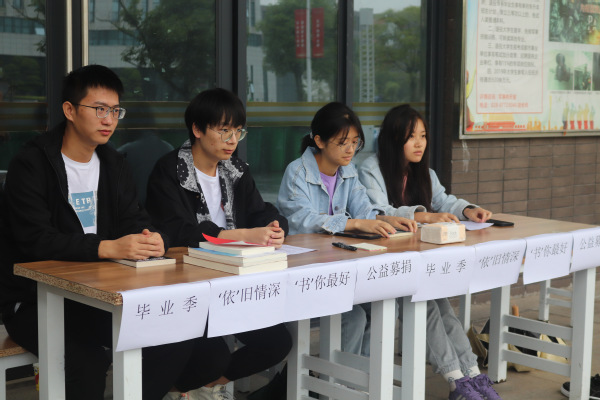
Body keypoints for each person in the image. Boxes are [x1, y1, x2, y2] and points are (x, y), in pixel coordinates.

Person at [0, 65, 232, 400]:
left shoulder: (113, 162)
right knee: (88, 361)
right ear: (69, 110)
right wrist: (108, 248)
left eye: (115, 111)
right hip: (35, 300)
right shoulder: (32, 163)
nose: (109, 119)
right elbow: (35, 240)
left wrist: (152, 238)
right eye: (99, 109)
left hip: (101, 294)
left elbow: (133, 220)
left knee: (205, 350)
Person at [146, 87, 292, 400]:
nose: (232, 139)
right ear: (197, 129)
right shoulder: (170, 170)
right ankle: (177, 388)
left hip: (231, 284)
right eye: (224, 130)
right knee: (210, 356)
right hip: (186, 285)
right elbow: (177, 231)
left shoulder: (235, 170)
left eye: (238, 131)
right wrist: (241, 235)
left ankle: (200, 386)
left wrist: (275, 227)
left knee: (277, 342)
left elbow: (261, 210)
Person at [358, 104, 498, 400]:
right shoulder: (370, 169)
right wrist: (422, 215)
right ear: (393, 139)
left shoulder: (423, 171)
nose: (419, 143)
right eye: (411, 137)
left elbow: (445, 200)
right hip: (385, 266)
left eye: (422, 136)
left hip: (417, 260)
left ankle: (472, 374)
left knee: (443, 306)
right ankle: (455, 380)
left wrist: (468, 210)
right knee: (427, 306)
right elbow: (378, 211)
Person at [277, 102, 417, 357]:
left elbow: (364, 211)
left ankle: (363, 374)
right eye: (343, 142)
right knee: (354, 318)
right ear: (319, 141)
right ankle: (337, 378)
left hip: (341, 268)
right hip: (306, 273)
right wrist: (353, 223)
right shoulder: (297, 171)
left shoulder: (348, 170)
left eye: (355, 142)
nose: (351, 149)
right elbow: (300, 220)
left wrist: (387, 219)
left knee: (384, 307)